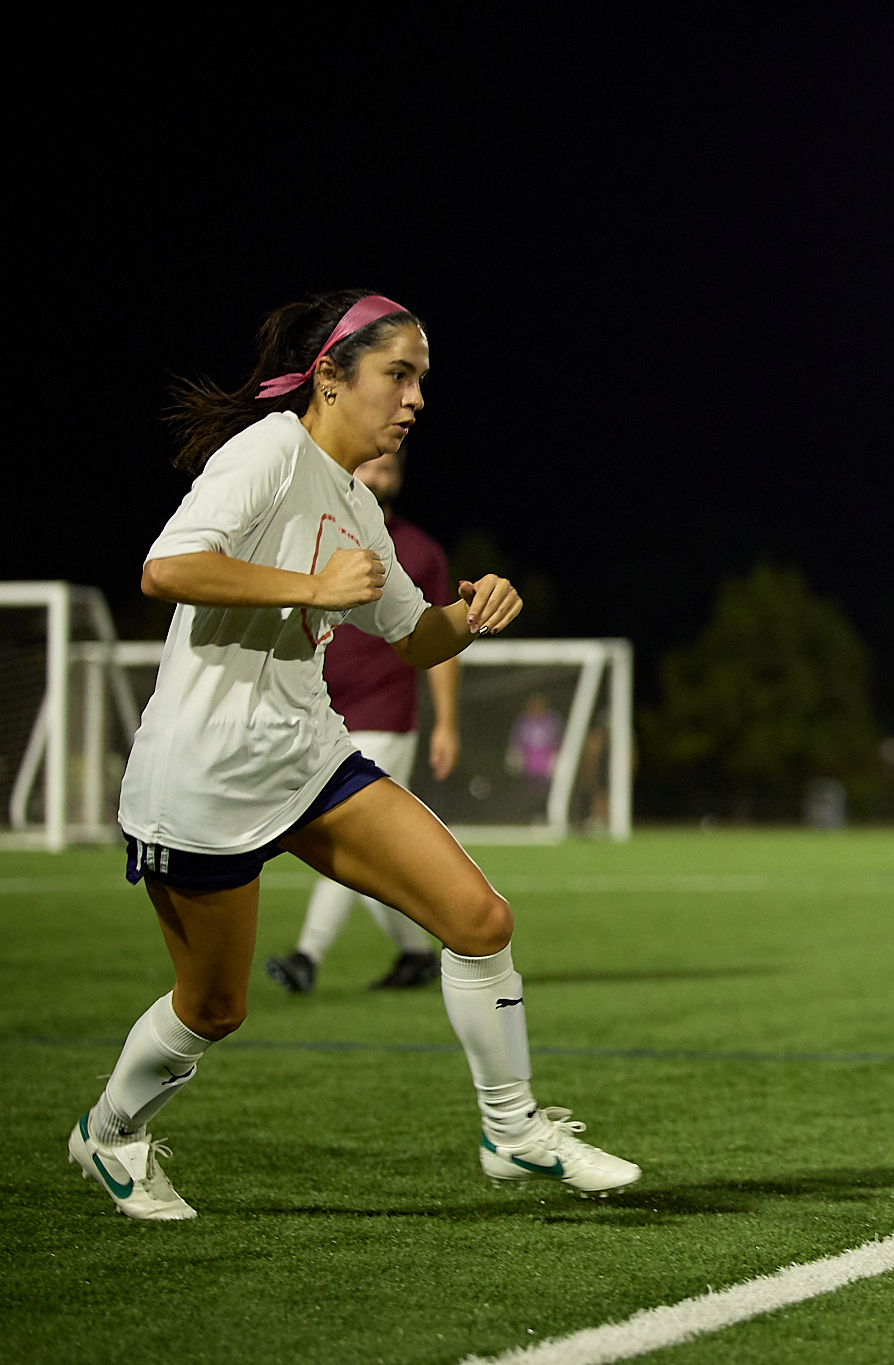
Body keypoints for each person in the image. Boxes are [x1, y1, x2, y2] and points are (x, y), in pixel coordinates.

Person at [72, 290, 639, 1220]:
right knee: (213, 1007)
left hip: (310, 758)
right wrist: (311, 585)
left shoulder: (355, 501)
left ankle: (512, 1130)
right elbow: (166, 568)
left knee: (480, 918)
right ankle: (108, 1131)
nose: (414, 399)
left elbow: (414, 637)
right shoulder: (266, 452)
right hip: (203, 776)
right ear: (330, 376)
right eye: (397, 374)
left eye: (422, 381)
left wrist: (473, 613)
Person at [265, 441, 460, 993]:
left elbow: (438, 639)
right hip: (319, 713)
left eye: (391, 463)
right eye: (374, 459)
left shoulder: (419, 551)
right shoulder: (320, 529)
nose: (382, 468)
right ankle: (415, 953)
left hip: (384, 717)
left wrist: (447, 723)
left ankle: (307, 956)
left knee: (347, 836)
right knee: (370, 851)